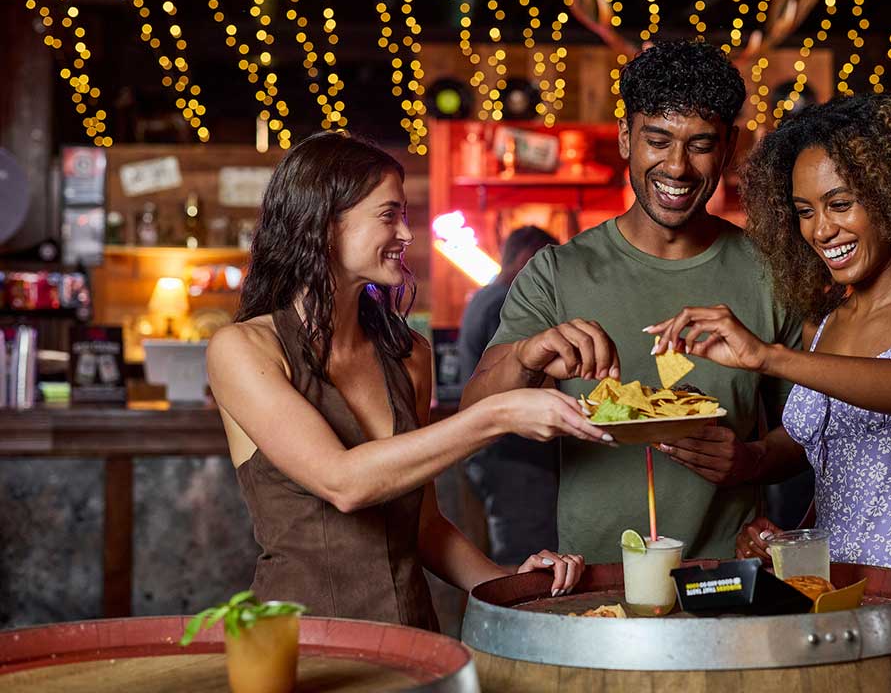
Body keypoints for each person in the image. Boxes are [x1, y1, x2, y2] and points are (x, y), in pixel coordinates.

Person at [646, 93, 891, 690]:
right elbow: (831, 450)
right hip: (837, 586)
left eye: (840, 204)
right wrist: (771, 507)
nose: (821, 229)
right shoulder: (832, 318)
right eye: (804, 210)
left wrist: (769, 356)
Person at [206, 132, 603, 627]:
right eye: (388, 215)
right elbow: (343, 482)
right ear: (325, 223)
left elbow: (423, 525)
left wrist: (512, 585)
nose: (407, 234)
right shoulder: (244, 349)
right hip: (305, 648)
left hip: (413, 638)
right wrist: (498, 414)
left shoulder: (409, 354)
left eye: (405, 215)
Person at [460, 39, 809, 564]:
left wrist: (750, 461)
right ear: (626, 138)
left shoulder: (771, 274)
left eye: (700, 144)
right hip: (592, 583)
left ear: (730, 147)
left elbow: (810, 431)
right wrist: (529, 354)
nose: (677, 167)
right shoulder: (557, 273)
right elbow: (474, 416)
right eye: (658, 140)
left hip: (724, 581)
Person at [458, 226, 561, 565]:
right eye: (544, 265)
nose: (551, 278)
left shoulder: (483, 297)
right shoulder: (504, 304)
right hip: (514, 454)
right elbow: (516, 378)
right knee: (525, 558)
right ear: (523, 260)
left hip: (494, 452)